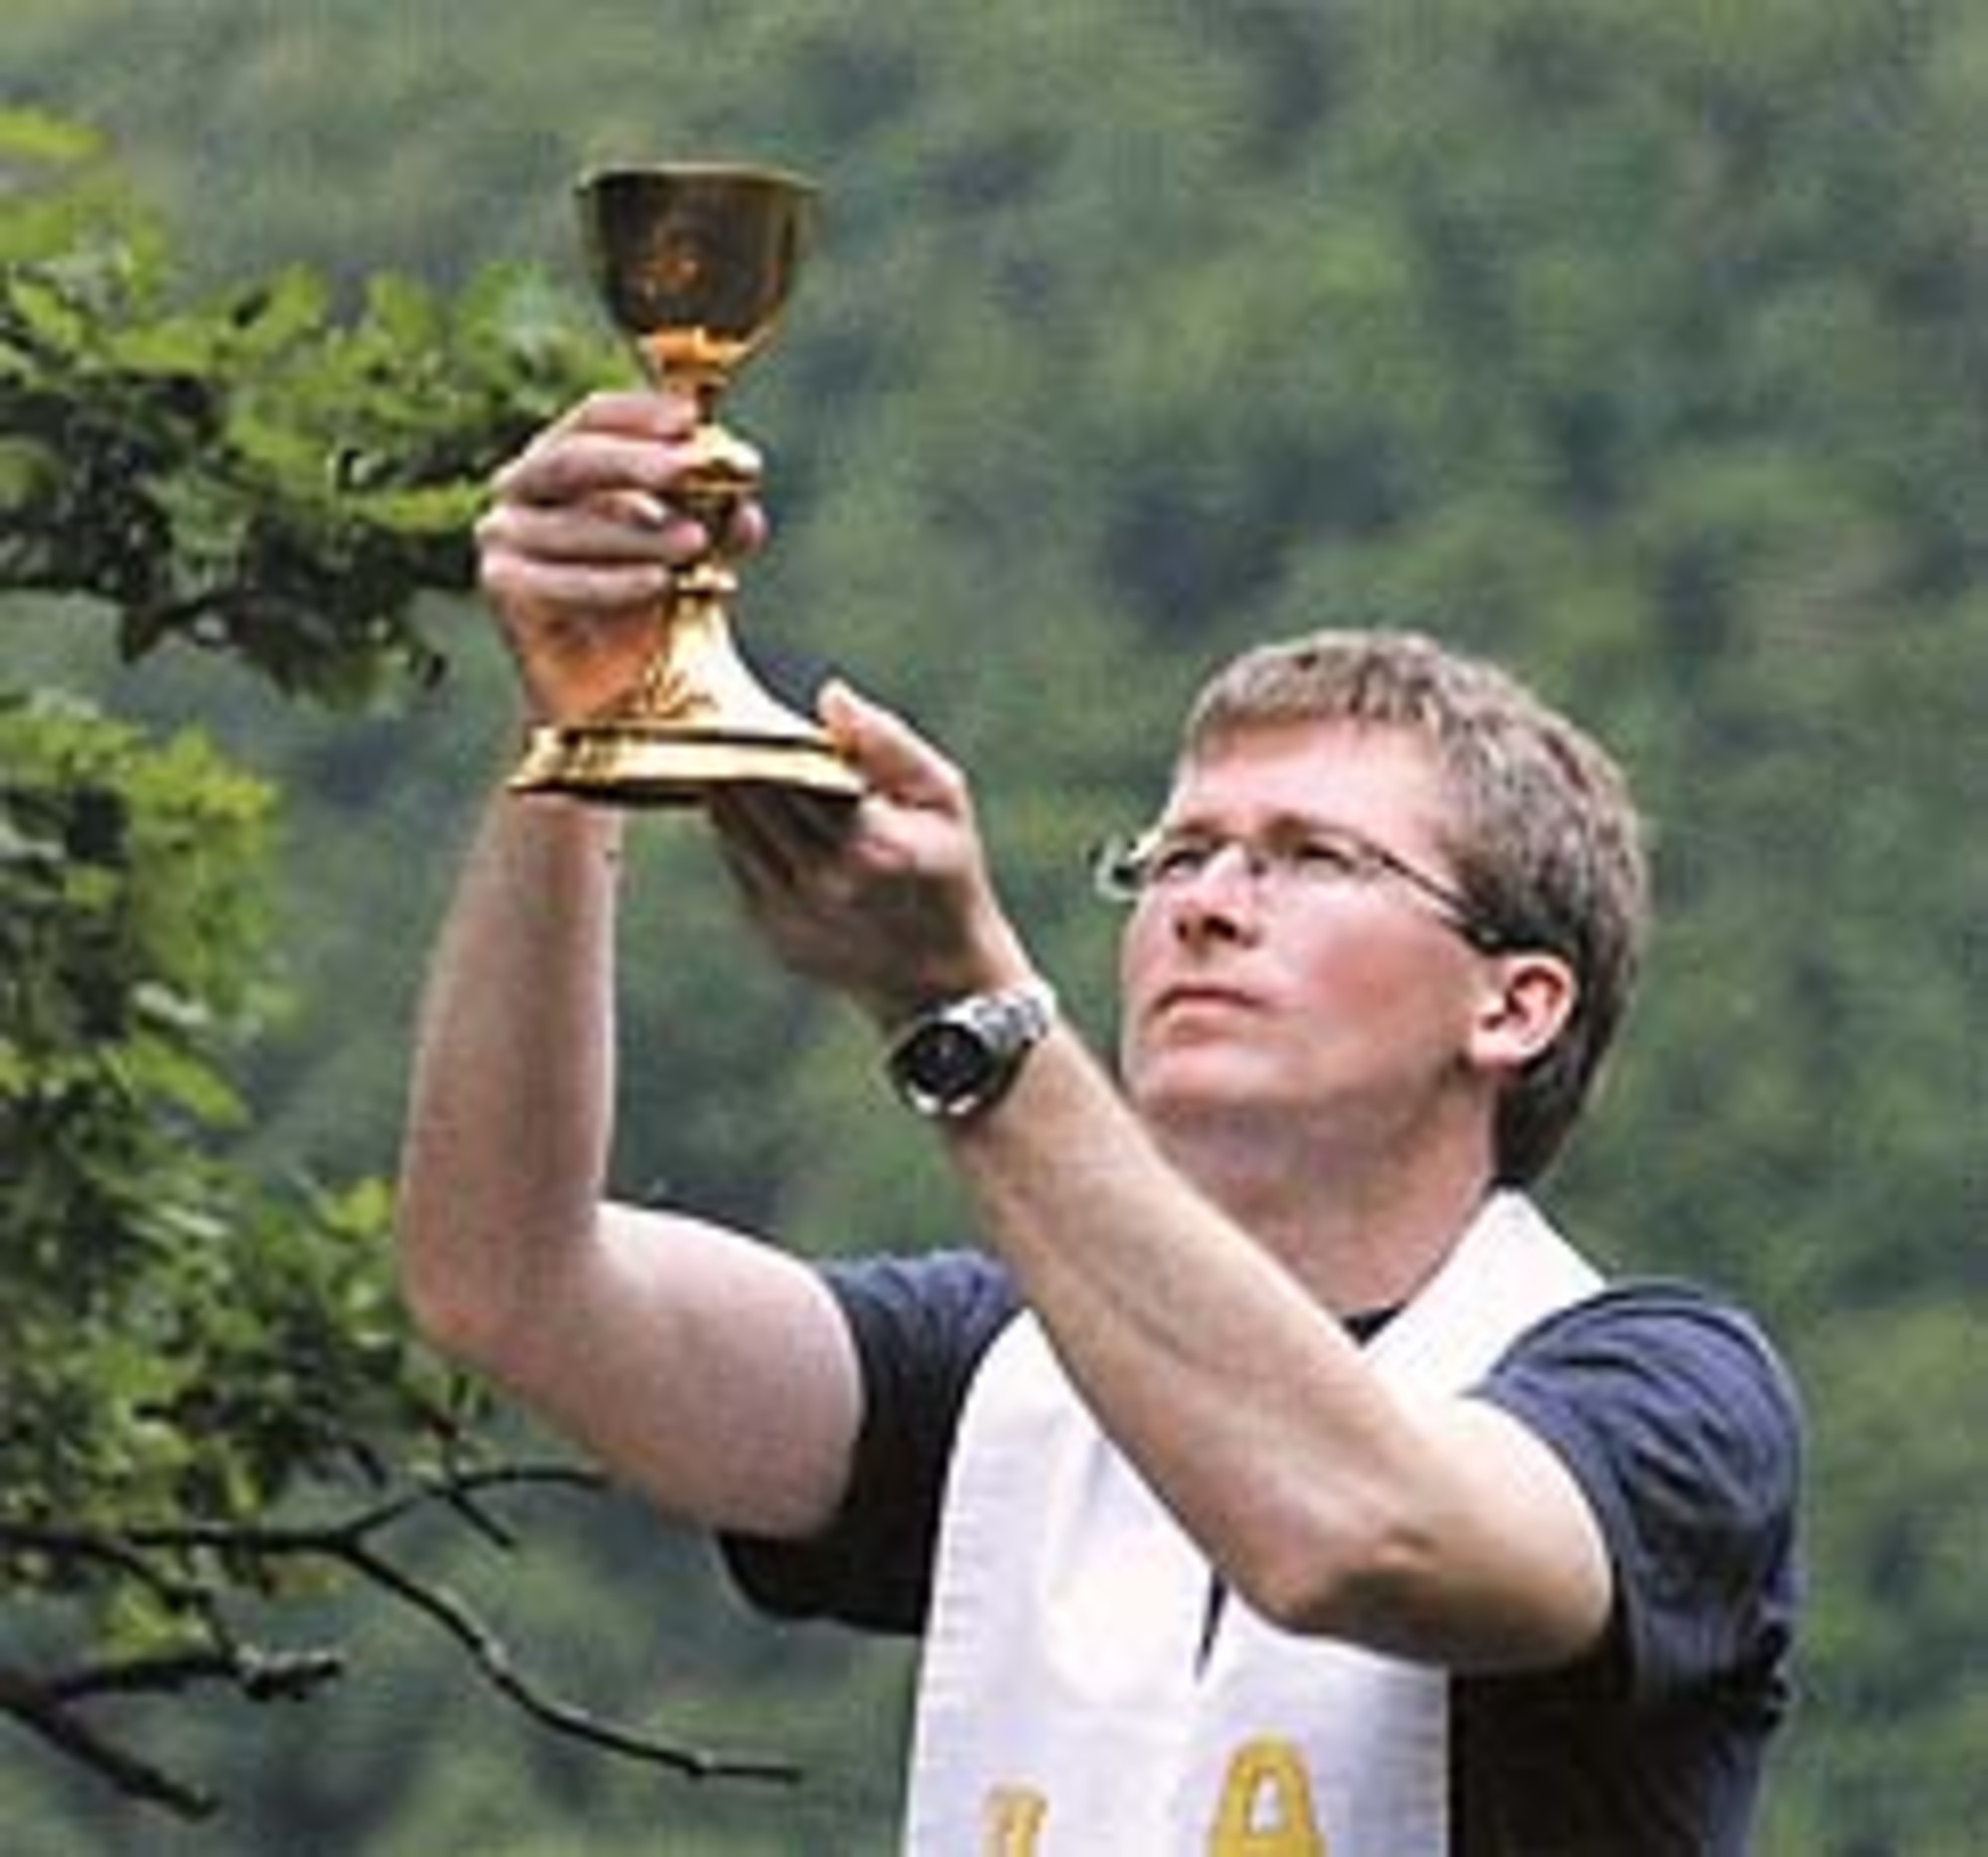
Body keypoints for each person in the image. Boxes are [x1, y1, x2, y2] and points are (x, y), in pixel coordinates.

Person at [397, 387, 1802, 1856]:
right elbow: (508, 1279)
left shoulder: (1669, 1398)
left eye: (1311, 857)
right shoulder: (999, 1372)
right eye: (1176, 855)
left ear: (1514, 1007)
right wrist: (581, 732)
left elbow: (1355, 1532)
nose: (1206, 903)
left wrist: (964, 1008)